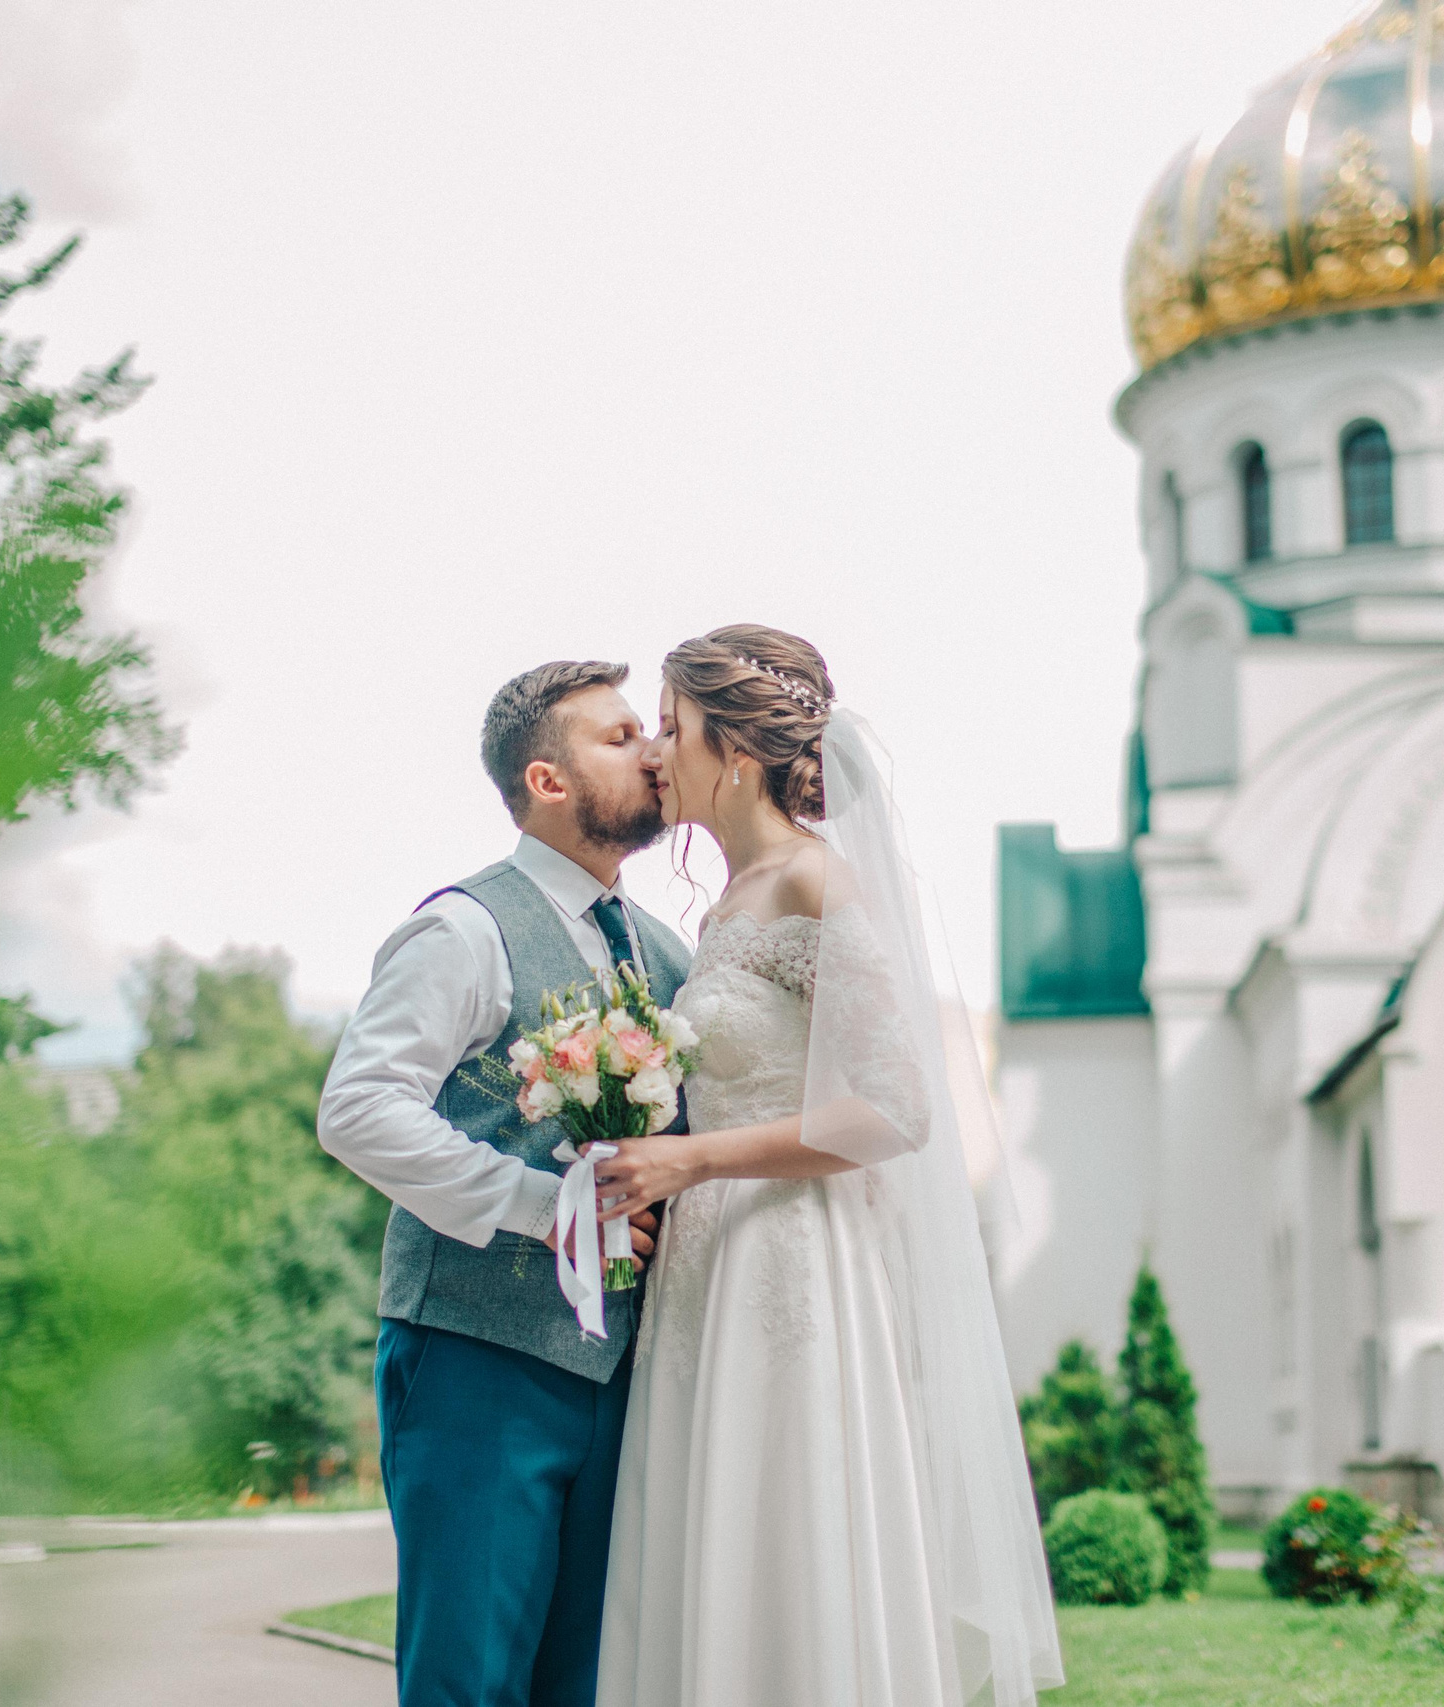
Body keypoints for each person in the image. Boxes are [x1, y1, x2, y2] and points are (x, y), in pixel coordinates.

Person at [591, 624, 1063, 1707]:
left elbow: (895, 1110)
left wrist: (695, 1159)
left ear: (737, 753)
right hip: (708, 1273)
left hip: (792, 1258)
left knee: (793, 1523)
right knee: (715, 1531)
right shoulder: (723, 905)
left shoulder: (815, 880)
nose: (657, 752)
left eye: (673, 728)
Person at [316, 660, 689, 1707]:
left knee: (586, 1683)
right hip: (479, 1359)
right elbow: (357, 1109)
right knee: (467, 1683)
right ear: (548, 781)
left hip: (622, 1377)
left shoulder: (664, 954)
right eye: (619, 737)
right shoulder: (464, 929)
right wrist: (546, 1212)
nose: (652, 752)